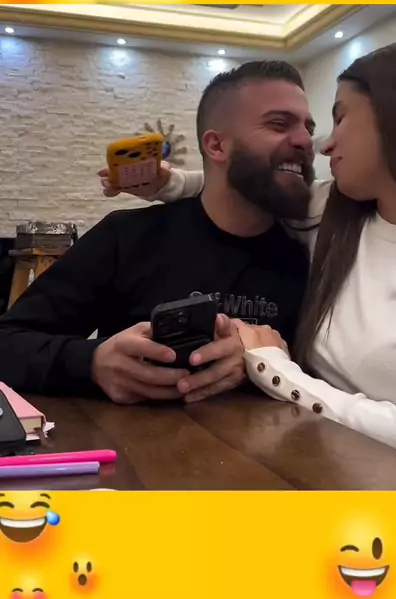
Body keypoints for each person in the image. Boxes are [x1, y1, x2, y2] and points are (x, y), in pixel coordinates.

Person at [110, 40, 396, 477]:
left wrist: (273, 367)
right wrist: (170, 183)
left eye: (340, 118)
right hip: (302, 466)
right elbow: (249, 181)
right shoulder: (337, 214)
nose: (323, 145)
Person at [0, 61, 313, 404]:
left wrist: (266, 362)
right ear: (216, 146)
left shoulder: (308, 257)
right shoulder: (126, 237)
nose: (305, 140)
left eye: (308, 128)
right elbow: (8, 340)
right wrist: (92, 363)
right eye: (279, 124)